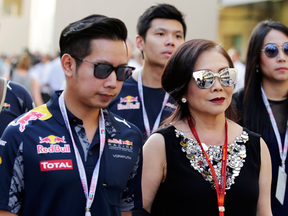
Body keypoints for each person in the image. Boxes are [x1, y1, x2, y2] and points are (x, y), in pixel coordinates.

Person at [0, 14, 143, 216]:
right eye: (103, 69)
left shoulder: (129, 136)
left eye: (122, 71)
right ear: (68, 65)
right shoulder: (22, 133)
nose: (112, 82)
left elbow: (127, 209)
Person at [134, 39, 272, 216]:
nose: (218, 87)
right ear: (183, 88)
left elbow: (264, 212)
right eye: (204, 79)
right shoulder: (160, 145)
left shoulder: (256, 146)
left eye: (226, 76)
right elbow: (139, 210)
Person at [232, 20, 288, 216]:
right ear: (256, 58)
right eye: (272, 50)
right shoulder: (237, 105)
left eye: (287, 49)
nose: (282, 57)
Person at [108, 3, 186, 142]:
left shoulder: (188, 92)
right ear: (140, 42)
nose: (171, 42)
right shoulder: (116, 86)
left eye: (178, 36)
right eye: (161, 34)